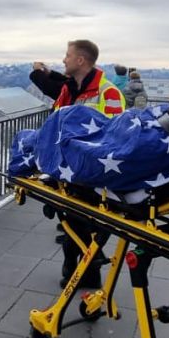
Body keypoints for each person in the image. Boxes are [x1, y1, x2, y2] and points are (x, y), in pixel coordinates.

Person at [29, 39, 124, 289]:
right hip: (67, 170)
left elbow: (114, 134)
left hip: (92, 173)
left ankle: (86, 274)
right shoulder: (68, 89)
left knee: (88, 226)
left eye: (68, 55)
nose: (64, 60)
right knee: (70, 223)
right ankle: (73, 267)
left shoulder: (108, 92)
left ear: (80, 60)